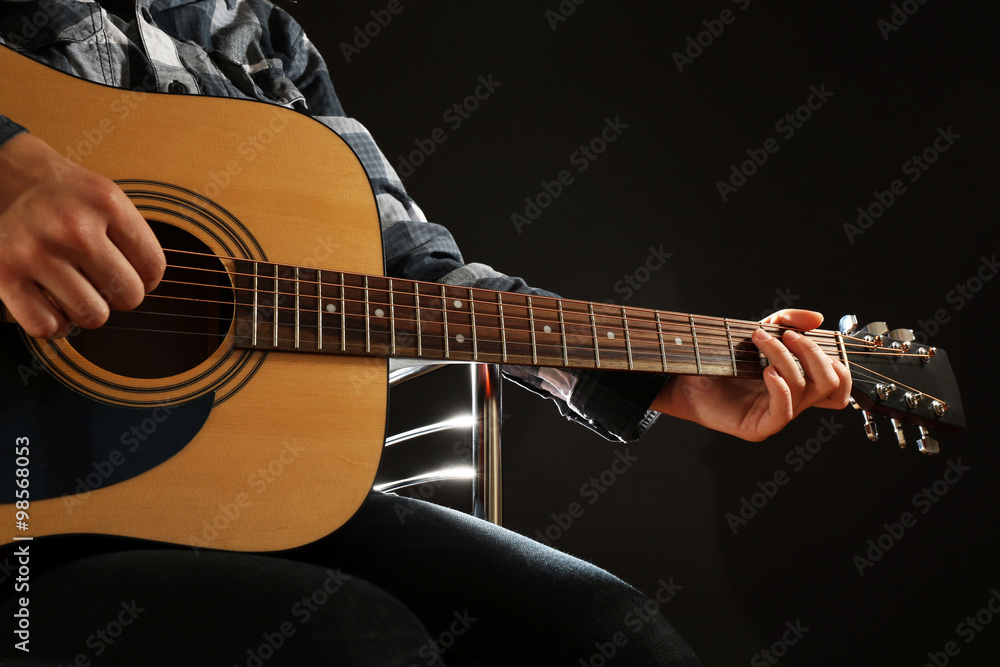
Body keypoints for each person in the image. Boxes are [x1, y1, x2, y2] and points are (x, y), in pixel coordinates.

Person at [0, 1, 850, 664]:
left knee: (606, 630)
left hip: (219, 501)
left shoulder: (256, 36)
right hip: (31, 537)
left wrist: (671, 372)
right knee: (350, 639)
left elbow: (402, 269)